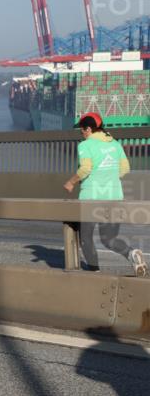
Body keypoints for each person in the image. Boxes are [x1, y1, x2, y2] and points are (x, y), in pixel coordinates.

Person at [64, 112, 146, 277]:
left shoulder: (85, 145)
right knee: (109, 239)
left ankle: (95, 273)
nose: (81, 133)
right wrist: (109, 177)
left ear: (89, 129)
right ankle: (131, 253)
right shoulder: (115, 144)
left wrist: (71, 182)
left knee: (86, 238)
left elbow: (85, 169)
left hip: (91, 198)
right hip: (114, 196)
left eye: (82, 130)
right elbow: (125, 168)